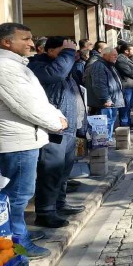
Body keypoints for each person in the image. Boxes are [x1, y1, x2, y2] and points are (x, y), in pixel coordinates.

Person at [0, 23, 68, 258]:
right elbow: (25, 104)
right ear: (7, 42)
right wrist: (56, 122)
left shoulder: (13, 64)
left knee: (19, 193)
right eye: (25, 39)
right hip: (16, 140)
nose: (31, 43)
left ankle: (17, 232)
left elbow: (36, 99)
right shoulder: (1, 67)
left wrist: (55, 114)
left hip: (24, 137)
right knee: (18, 194)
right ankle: (17, 241)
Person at [27, 36, 87, 228]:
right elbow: (55, 75)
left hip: (68, 129)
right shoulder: (38, 66)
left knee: (63, 171)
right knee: (50, 172)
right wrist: (67, 55)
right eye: (65, 51)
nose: (71, 55)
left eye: (73, 51)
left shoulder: (63, 65)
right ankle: (45, 212)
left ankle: (59, 203)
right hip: (53, 129)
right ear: (50, 51)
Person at [84, 47, 124, 142]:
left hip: (111, 99)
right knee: (104, 122)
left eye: (116, 55)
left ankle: (107, 139)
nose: (116, 57)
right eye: (114, 55)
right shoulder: (99, 65)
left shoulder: (107, 64)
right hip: (104, 102)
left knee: (109, 120)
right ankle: (103, 141)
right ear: (105, 55)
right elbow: (99, 84)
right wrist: (105, 98)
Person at [115, 44, 133, 128]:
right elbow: (128, 72)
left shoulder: (127, 58)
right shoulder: (120, 59)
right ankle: (124, 124)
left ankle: (128, 122)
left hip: (131, 85)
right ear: (126, 51)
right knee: (125, 106)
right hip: (126, 86)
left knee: (129, 106)